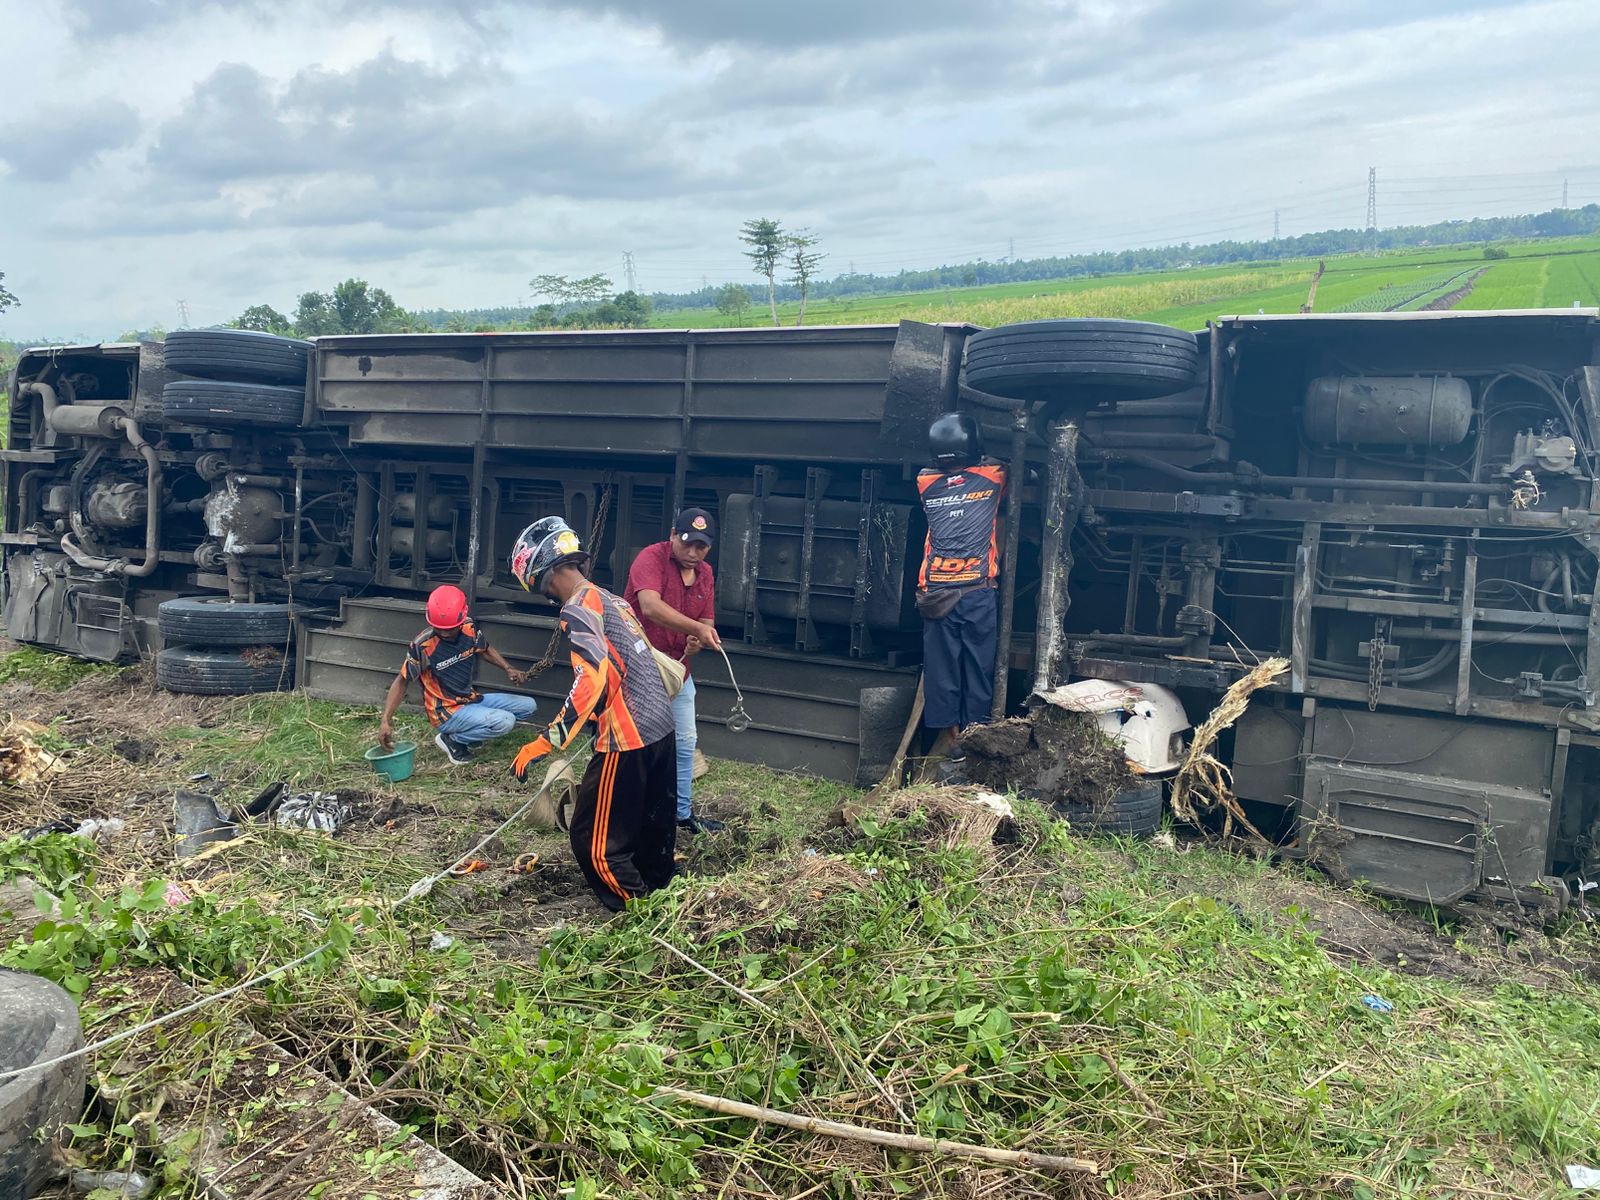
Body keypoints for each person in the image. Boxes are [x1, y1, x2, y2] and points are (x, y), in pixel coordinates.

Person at [508, 516, 679, 912]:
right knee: (652, 831)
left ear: (539, 576)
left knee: (595, 843)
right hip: (661, 729)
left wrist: (544, 742)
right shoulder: (611, 599)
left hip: (628, 739)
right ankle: (663, 896)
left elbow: (592, 681)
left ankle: (639, 913)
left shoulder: (578, 609)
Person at [624, 508, 726, 836]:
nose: (694, 553)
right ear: (672, 536)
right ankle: (629, 813)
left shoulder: (706, 574)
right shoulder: (650, 559)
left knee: (685, 742)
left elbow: (707, 620)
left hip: (679, 670)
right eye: (687, 544)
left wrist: (699, 637)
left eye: (702, 547)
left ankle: (681, 815)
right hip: (639, 666)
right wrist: (696, 626)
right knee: (637, 745)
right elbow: (650, 607)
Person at [915, 412, 1007, 769]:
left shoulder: (926, 483)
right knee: (978, 670)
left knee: (942, 672)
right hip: (976, 591)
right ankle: (976, 738)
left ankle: (952, 740)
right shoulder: (994, 476)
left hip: (936, 592)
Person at [378, 584, 534, 765]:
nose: (444, 633)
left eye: (450, 628)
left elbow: (484, 649)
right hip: (445, 711)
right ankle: (452, 740)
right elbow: (402, 682)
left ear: (462, 619)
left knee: (528, 706)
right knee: (505, 721)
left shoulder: (469, 627)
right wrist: (385, 721)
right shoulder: (423, 646)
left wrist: (508, 668)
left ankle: (469, 733)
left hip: (470, 699)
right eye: (439, 628)